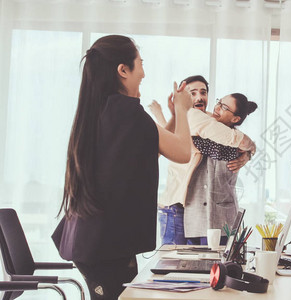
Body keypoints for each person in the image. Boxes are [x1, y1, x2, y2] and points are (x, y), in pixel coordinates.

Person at [51, 35, 193, 299]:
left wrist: (173, 116)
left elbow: (148, 149)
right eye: (140, 64)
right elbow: (183, 152)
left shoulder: (102, 110)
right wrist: (184, 111)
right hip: (104, 247)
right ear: (123, 70)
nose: (144, 73)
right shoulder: (128, 112)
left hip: (93, 242)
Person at [155, 75, 255, 246]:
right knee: (173, 263)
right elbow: (232, 140)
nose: (199, 97)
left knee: (188, 265)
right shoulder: (194, 117)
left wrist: (249, 153)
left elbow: (226, 138)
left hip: (192, 210)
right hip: (176, 207)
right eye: (192, 94)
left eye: (203, 92)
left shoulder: (209, 119)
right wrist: (250, 148)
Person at [183, 93, 257, 245]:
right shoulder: (203, 128)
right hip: (195, 215)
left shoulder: (236, 142)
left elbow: (219, 147)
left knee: (221, 266)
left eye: (224, 107)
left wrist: (249, 152)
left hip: (224, 219)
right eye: (219, 102)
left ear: (235, 119)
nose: (217, 108)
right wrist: (251, 150)